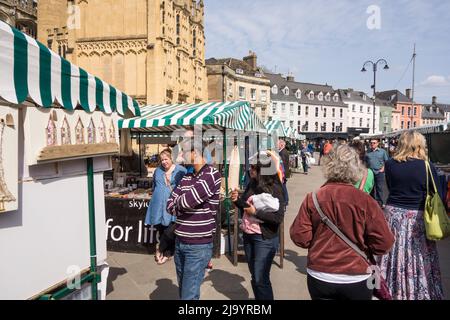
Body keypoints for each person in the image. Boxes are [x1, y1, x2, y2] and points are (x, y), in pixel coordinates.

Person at [290, 145, 394, 300]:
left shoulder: (313, 198)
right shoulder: (366, 201)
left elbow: (300, 237)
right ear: (356, 167)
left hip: (320, 274)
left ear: (329, 165)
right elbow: (384, 243)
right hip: (357, 275)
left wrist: (319, 241)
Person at [377, 131, 444, 300]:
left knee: (393, 255)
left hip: (393, 216)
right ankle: (419, 292)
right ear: (420, 145)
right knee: (419, 255)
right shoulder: (427, 166)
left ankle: (392, 289)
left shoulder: (390, 164)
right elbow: (437, 193)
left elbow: (391, 187)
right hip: (417, 218)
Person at [166, 139, 221, 300]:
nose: (181, 155)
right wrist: (182, 202)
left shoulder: (211, 174)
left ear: (195, 153)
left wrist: (181, 202)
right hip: (180, 241)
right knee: (185, 291)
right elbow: (170, 204)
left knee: (188, 295)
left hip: (198, 245)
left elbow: (186, 201)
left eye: (184, 151)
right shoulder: (187, 176)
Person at [231, 151, 285, 300]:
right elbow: (245, 206)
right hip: (248, 235)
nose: (250, 169)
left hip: (264, 238)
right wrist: (237, 200)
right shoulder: (252, 183)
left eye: (254, 167)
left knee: (261, 278)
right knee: (255, 275)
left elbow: (278, 218)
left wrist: (256, 213)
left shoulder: (275, 188)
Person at [145, 149, 187, 264]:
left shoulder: (181, 171)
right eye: (162, 159)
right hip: (158, 205)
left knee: (170, 231)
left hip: (173, 206)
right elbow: (154, 186)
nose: (164, 162)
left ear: (171, 158)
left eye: (166, 159)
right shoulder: (157, 171)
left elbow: (185, 188)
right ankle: (167, 254)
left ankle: (160, 249)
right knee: (161, 229)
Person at [365, 139, 389, 207]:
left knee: (379, 188)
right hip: (370, 172)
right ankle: (371, 202)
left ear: (378, 143)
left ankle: (380, 203)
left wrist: (383, 168)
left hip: (379, 172)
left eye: (374, 143)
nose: (372, 144)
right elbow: (365, 162)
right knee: (371, 188)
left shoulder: (382, 152)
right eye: (371, 143)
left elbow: (386, 161)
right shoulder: (368, 152)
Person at [278, 139, 290, 207]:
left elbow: (282, 163)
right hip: (285, 172)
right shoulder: (283, 151)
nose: (277, 145)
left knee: (283, 187)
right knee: (284, 187)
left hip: (283, 173)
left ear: (281, 144)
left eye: (278, 144)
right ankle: (286, 200)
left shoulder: (283, 152)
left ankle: (285, 200)